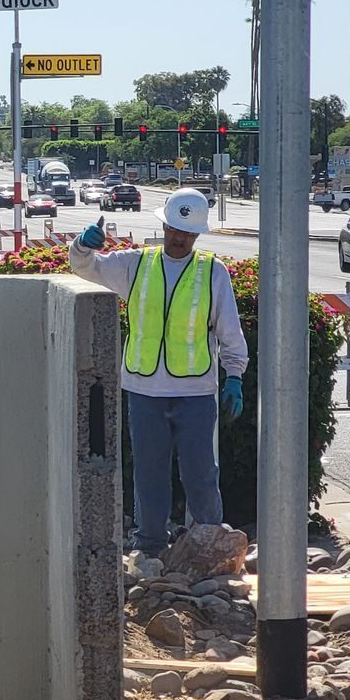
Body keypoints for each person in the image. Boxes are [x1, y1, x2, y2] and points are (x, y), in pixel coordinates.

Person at [67, 187, 248, 556]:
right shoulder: (136, 265)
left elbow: (230, 332)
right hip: (144, 390)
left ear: (197, 235)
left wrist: (234, 378)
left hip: (195, 393)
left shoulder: (212, 273)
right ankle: (150, 546)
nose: (180, 238)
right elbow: (86, 268)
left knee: (200, 474)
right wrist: (83, 246)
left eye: (187, 233)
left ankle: (209, 544)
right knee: (150, 474)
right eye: (174, 230)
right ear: (164, 227)